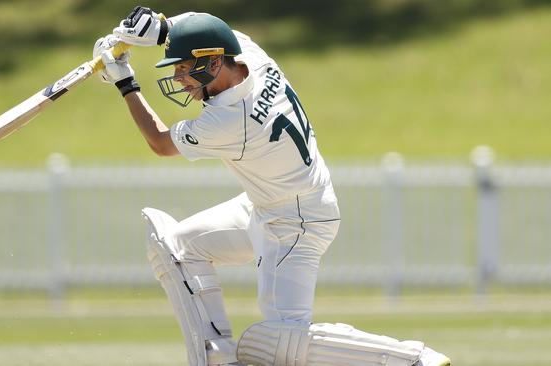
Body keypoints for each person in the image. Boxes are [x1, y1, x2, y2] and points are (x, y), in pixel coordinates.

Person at [93, 6, 451, 366]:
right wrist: (161, 27)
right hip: (269, 204)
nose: (179, 78)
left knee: (279, 342)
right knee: (178, 249)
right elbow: (212, 28)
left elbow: (159, 142)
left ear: (213, 64)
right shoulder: (251, 55)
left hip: (295, 223)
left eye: (184, 68)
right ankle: (218, 357)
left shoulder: (230, 120)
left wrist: (125, 81)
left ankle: (413, 359)